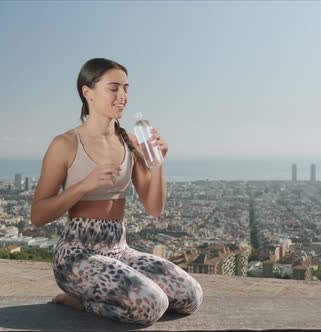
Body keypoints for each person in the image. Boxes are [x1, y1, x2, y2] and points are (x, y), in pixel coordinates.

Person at [30, 58, 203, 325]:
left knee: (191, 296)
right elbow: (38, 216)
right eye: (113, 88)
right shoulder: (64, 144)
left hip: (119, 249)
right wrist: (85, 185)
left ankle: (107, 293)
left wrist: (157, 162)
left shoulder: (130, 142)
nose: (122, 96)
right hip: (77, 255)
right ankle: (79, 301)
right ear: (88, 92)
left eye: (126, 88)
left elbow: (154, 208)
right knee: (152, 305)